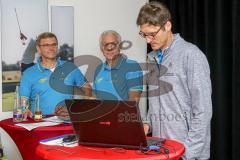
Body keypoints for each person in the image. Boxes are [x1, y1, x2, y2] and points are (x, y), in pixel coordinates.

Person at [136, 2, 212, 160]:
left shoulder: (191, 55)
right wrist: (147, 124)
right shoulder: (151, 59)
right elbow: (156, 104)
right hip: (161, 151)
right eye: (144, 35)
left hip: (187, 154)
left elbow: (203, 112)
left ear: (167, 25)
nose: (148, 40)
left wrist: (187, 152)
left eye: (152, 34)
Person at [19, 32, 92, 119]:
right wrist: (24, 109)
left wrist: (79, 107)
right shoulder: (28, 73)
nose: (51, 48)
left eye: (54, 44)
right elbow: (23, 98)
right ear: (38, 49)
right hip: (41, 126)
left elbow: (87, 88)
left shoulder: (70, 67)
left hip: (68, 124)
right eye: (46, 45)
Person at [93, 30, 143, 102]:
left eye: (113, 44)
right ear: (101, 48)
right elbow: (95, 100)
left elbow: (133, 103)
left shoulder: (132, 66)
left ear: (119, 46)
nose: (110, 48)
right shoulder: (98, 69)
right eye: (105, 44)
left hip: (123, 113)